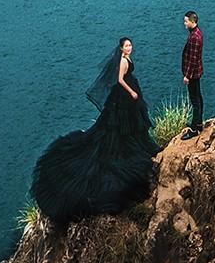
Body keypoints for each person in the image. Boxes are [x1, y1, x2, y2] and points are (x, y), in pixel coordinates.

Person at [30, 37, 160, 225]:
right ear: (121, 48)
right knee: (121, 128)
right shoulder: (123, 61)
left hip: (124, 98)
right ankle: (128, 148)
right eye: (126, 46)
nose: (130, 48)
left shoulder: (126, 58)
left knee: (127, 126)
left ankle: (132, 143)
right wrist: (131, 92)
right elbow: (120, 80)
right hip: (124, 96)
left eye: (131, 45)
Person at [181, 11, 204, 139]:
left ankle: (194, 129)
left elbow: (193, 59)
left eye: (186, 21)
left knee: (195, 100)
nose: (184, 24)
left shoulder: (195, 37)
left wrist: (187, 76)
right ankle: (198, 122)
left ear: (192, 22)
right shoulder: (196, 33)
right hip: (196, 72)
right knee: (198, 97)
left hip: (193, 74)